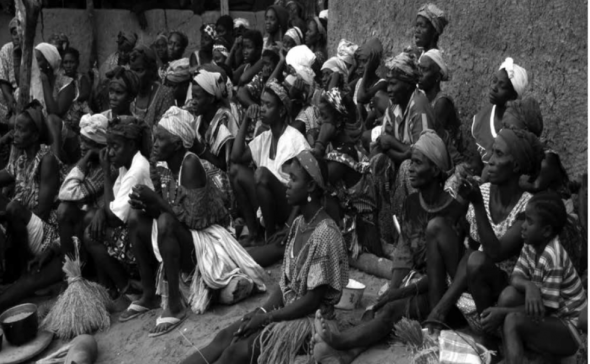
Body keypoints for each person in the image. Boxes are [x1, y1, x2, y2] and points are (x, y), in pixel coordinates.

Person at [181, 150, 348, 364]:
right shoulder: (299, 225)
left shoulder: (325, 233)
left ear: (311, 187)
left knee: (237, 352)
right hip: (287, 311)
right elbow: (285, 285)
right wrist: (260, 311)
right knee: (227, 336)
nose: (287, 184)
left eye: (293, 179)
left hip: (310, 321)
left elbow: (311, 301)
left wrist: (267, 318)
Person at [313, 130, 464, 364]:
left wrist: (397, 293)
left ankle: (340, 342)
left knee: (392, 309)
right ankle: (349, 353)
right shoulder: (412, 203)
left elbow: (446, 276)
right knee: (376, 308)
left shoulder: (454, 212)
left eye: (417, 163)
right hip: (414, 282)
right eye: (410, 161)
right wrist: (390, 290)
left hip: (440, 292)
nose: (410, 168)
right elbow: (403, 254)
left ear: (435, 170)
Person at [121, 106, 266, 336]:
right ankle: (149, 295)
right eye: (155, 138)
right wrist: (147, 205)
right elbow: (163, 208)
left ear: (178, 144)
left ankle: (176, 307)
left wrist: (156, 204)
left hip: (205, 239)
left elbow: (194, 221)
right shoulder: (160, 165)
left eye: (161, 139)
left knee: (166, 221)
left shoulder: (190, 165)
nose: (155, 143)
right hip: (184, 233)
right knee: (135, 217)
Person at [425, 127, 544, 336]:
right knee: (436, 227)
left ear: (515, 165)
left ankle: (487, 337)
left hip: (503, 290)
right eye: (492, 152)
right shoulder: (485, 190)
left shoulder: (527, 206)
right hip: (471, 275)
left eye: (499, 155)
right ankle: (436, 318)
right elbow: (470, 247)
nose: (490, 160)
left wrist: (478, 204)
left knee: (478, 260)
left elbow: (495, 253)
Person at [482, 192, 587, 363]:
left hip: (571, 329)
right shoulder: (531, 245)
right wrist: (529, 286)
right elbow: (515, 276)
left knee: (512, 320)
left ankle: (514, 359)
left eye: (529, 222)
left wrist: (501, 313)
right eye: (524, 219)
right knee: (508, 295)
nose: (523, 226)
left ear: (546, 231)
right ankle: (514, 355)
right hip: (551, 316)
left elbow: (545, 310)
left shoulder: (553, 256)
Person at [230, 80, 309, 248]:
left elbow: (306, 183)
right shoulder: (265, 137)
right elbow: (236, 157)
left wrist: (289, 224)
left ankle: (271, 235)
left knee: (261, 174)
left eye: (268, 105)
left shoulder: (295, 140)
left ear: (281, 111)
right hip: (268, 206)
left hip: (288, 206)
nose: (262, 109)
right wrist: (246, 120)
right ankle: (255, 234)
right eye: (261, 104)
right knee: (236, 172)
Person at [0, 101, 63, 310]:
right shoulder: (20, 160)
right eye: (15, 128)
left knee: (14, 209)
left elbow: (43, 210)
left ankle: (23, 271)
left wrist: (10, 220)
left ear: (35, 135)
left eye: (21, 129)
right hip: (29, 227)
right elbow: (4, 175)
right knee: (11, 210)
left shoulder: (47, 160)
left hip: (48, 234)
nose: (14, 134)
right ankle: (14, 270)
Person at [82, 116, 153, 298]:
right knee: (91, 220)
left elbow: (113, 217)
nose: (110, 153)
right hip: (135, 232)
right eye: (109, 146)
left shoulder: (136, 169)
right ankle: (112, 287)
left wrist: (106, 172)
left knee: (91, 234)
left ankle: (128, 290)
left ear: (130, 146)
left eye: (115, 147)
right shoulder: (126, 165)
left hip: (148, 241)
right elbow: (111, 204)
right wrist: (100, 211)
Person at [313, 86, 382, 258]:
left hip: (359, 229)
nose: (320, 122)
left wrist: (320, 142)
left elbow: (315, 181)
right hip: (347, 218)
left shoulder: (345, 151)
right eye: (319, 116)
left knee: (317, 196)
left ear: (338, 122)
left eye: (324, 117)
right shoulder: (336, 146)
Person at [371, 51, 437, 217]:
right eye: (388, 84)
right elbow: (383, 146)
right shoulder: (394, 107)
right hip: (402, 160)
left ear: (408, 84)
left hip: (433, 171)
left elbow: (421, 156)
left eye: (393, 84)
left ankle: (415, 220)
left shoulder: (419, 105)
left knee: (408, 169)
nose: (389, 89)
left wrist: (393, 144)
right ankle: (386, 222)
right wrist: (403, 152)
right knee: (377, 162)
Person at [57, 113, 110, 257]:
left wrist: (86, 157)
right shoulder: (90, 164)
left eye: (88, 143)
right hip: (89, 220)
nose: (82, 146)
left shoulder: (103, 168)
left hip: (101, 223)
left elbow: (67, 192)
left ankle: (79, 263)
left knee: (66, 209)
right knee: (64, 209)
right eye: (82, 141)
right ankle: (70, 264)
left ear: (99, 146)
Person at [471, 57, 527, 174]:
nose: (494, 87)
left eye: (502, 86)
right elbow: (477, 159)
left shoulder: (516, 126)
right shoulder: (481, 117)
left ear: (513, 95)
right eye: (494, 81)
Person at [188, 68, 238, 172]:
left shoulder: (224, 119)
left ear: (210, 99)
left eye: (197, 97)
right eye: (192, 96)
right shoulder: (199, 119)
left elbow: (224, 166)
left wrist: (201, 149)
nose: (193, 102)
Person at [417, 48, 462, 161]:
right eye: (419, 69)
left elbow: (433, 140)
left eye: (424, 70)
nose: (419, 74)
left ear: (437, 77)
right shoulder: (423, 99)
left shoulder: (441, 103)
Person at [129, 45, 175, 130]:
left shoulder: (165, 94)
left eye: (139, 70)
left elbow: (162, 132)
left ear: (151, 70)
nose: (134, 75)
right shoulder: (128, 93)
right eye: (132, 70)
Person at [96, 31, 138, 112]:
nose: (123, 54)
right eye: (121, 50)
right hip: (108, 99)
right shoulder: (111, 60)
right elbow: (102, 79)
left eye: (126, 51)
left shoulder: (134, 63)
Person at [352, 38, 387, 118]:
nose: (360, 65)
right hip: (357, 126)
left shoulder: (382, 83)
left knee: (360, 107)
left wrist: (367, 70)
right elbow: (344, 92)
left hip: (369, 127)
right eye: (359, 61)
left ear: (373, 63)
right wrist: (353, 67)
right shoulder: (359, 81)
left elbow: (361, 98)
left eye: (364, 61)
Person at [61, 47, 92, 134]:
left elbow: (85, 93)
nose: (68, 65)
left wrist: (72, 98)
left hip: (79, 110)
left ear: (77, 63)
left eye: (72, 62)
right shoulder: (60, 79)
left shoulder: (81, 78)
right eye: (65, 62)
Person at [0, 17, 21, 124]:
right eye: (14, 33)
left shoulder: (32, 50)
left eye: (20, 32)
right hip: (8, 90)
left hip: (24, 91)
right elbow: (3, 78)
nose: (17, 36)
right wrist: (10, 100)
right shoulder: (6, 49)